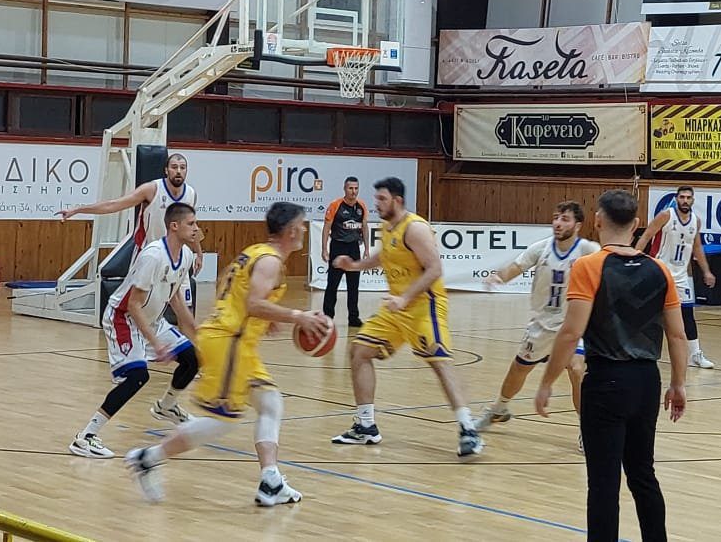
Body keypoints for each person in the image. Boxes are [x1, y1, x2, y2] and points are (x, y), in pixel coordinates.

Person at [124, 202, 333, 505]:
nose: (303, 230)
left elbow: (233, 289)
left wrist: (267, 318)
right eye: (300, 225)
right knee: (222, 421)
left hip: (235, 341)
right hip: (229, 341)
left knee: (271, 402)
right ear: (290, 230)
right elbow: (253, 303)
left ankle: (271, 480)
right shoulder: (270, 261)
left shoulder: (257, 252)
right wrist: (297, 316)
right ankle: (147, 458)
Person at [535, 189, 687, 542]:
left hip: (606, 381)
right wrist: (678, 384)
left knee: (603, 483)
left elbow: (571, 332)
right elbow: (678, 336)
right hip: (647, 381)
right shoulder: (660, 270)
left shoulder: (589, 266)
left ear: (598, 220)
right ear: (636, 224)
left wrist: (547, 382)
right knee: (643, 475)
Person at [330, 177, 483, 457]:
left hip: (424, 305)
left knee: (439, 361)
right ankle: (366, 426)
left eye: (382, 199)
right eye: (376, 199)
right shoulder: (388, 227)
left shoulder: (415, 228)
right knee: (360, 350)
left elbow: (435, 269)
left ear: (397, 200)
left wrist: (405, 298)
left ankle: (468, 429)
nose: (376, 204)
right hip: (396, 308)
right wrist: (355, 265)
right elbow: (384, 256)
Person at [68, 203, 200, 459]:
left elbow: (174, 298)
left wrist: (195, 331)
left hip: (152, 320)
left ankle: (167, 407)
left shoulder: (186, 255)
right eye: (191, 224)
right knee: (137, 376)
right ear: (174, 226)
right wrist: (156, 343)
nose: (197, 229)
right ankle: (85, 437)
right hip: (124, 318)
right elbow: (133, 305)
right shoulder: (153, 256)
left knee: (193, 358)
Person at [475, 201, 600, 451]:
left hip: (573, 325)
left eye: (564, 219)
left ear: (577, 225)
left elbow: (606, 270)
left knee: (577, 370)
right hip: (542, 325)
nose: (558, 223)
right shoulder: (541, 248)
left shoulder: (588, 250)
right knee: (519, 369)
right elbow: (516, 267)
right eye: (556, 217)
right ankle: (499, 408)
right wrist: (498, 277)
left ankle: (587, 428)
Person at [57, 153, 203, 272]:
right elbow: (113, 205)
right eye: (174, 167)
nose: (178, 171)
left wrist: (199, 254)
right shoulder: (151, 189)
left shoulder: (191, 194)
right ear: (166, 170)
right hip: (150, 253)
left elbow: (193, 227)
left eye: (182, 167)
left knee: (180, 298)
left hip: (178, 256)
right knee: (140, 298)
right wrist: (77, 209)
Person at [635, 186, 717, 368]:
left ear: (693, 200)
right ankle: (638, 349)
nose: (685, 200)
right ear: (676, 199)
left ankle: (695, 354)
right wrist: (633, 258)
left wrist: (706, 271)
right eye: (682, 197)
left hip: (680, 277)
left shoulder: (696, 221)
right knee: (648, 314)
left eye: (688, 197)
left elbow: (697, 247)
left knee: (688, 315)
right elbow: (646, 236)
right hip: (659, 272)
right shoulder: (666, 215)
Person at [321, 177, 370, 328]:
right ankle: (328, 317)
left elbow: (364, 227)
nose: (353, 191)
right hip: (338, 247)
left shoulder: (361, 206)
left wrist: (367, 249)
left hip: (354, 248)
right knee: (332, 285)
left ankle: (353, 318)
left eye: (356, 188)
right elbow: (326, 227)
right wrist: (324, 249)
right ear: (345, 189)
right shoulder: (335, 205)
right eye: (350, 188)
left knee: (353, 286)